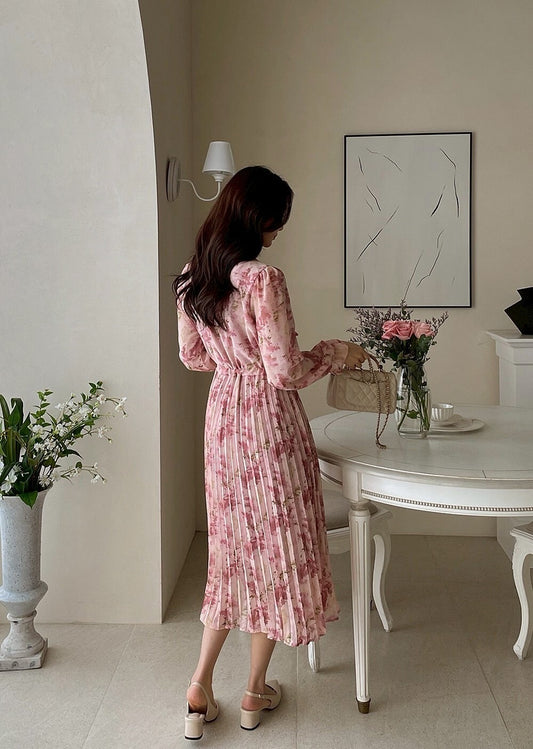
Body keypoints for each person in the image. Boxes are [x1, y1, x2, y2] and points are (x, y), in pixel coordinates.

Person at [174, 166, 369, 741]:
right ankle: (254, 691)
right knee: (274, 550)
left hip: (222, 419)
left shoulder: (191, 276)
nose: (278, 232)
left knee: (232, 550)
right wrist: (336, 353)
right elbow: (284, 371)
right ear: (256, 217)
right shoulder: (263, 278)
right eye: (276, 221)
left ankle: (199, 685)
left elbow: (192, 357)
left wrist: (232, 362)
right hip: (267, 420)